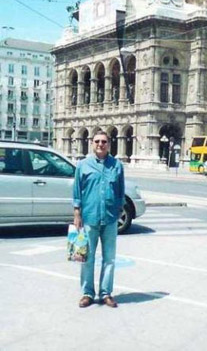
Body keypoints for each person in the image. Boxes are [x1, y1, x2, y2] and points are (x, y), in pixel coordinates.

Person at [73, 130, 125, 308]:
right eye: (97, 141)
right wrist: (77, 214)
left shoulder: (116, 165)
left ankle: (106, 293)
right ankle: (87, 293)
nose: (100, 144)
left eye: (104, 141)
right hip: (89, 217)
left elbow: (120, 191)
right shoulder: (83, 165)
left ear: (109, 144)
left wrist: (119, 210)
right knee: (87, 258)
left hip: (110, 218)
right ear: (92, 143)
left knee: (109, 258)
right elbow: (77, 191)